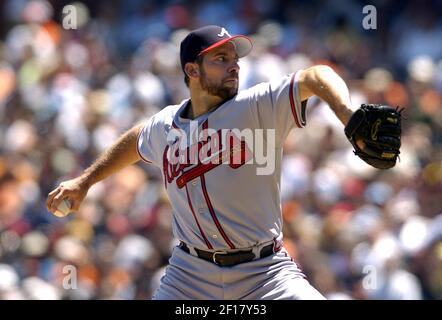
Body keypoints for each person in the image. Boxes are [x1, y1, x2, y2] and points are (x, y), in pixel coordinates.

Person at [47, 25, 356, 300]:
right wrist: (85, 180)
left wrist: (348, 115)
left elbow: (316, 76)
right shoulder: (166, 124)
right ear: (193, 71)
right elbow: (137, 138)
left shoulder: (255, 107)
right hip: (190, 274)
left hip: (264, 273)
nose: (234, 66)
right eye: (221, 60)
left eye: (235, 59)